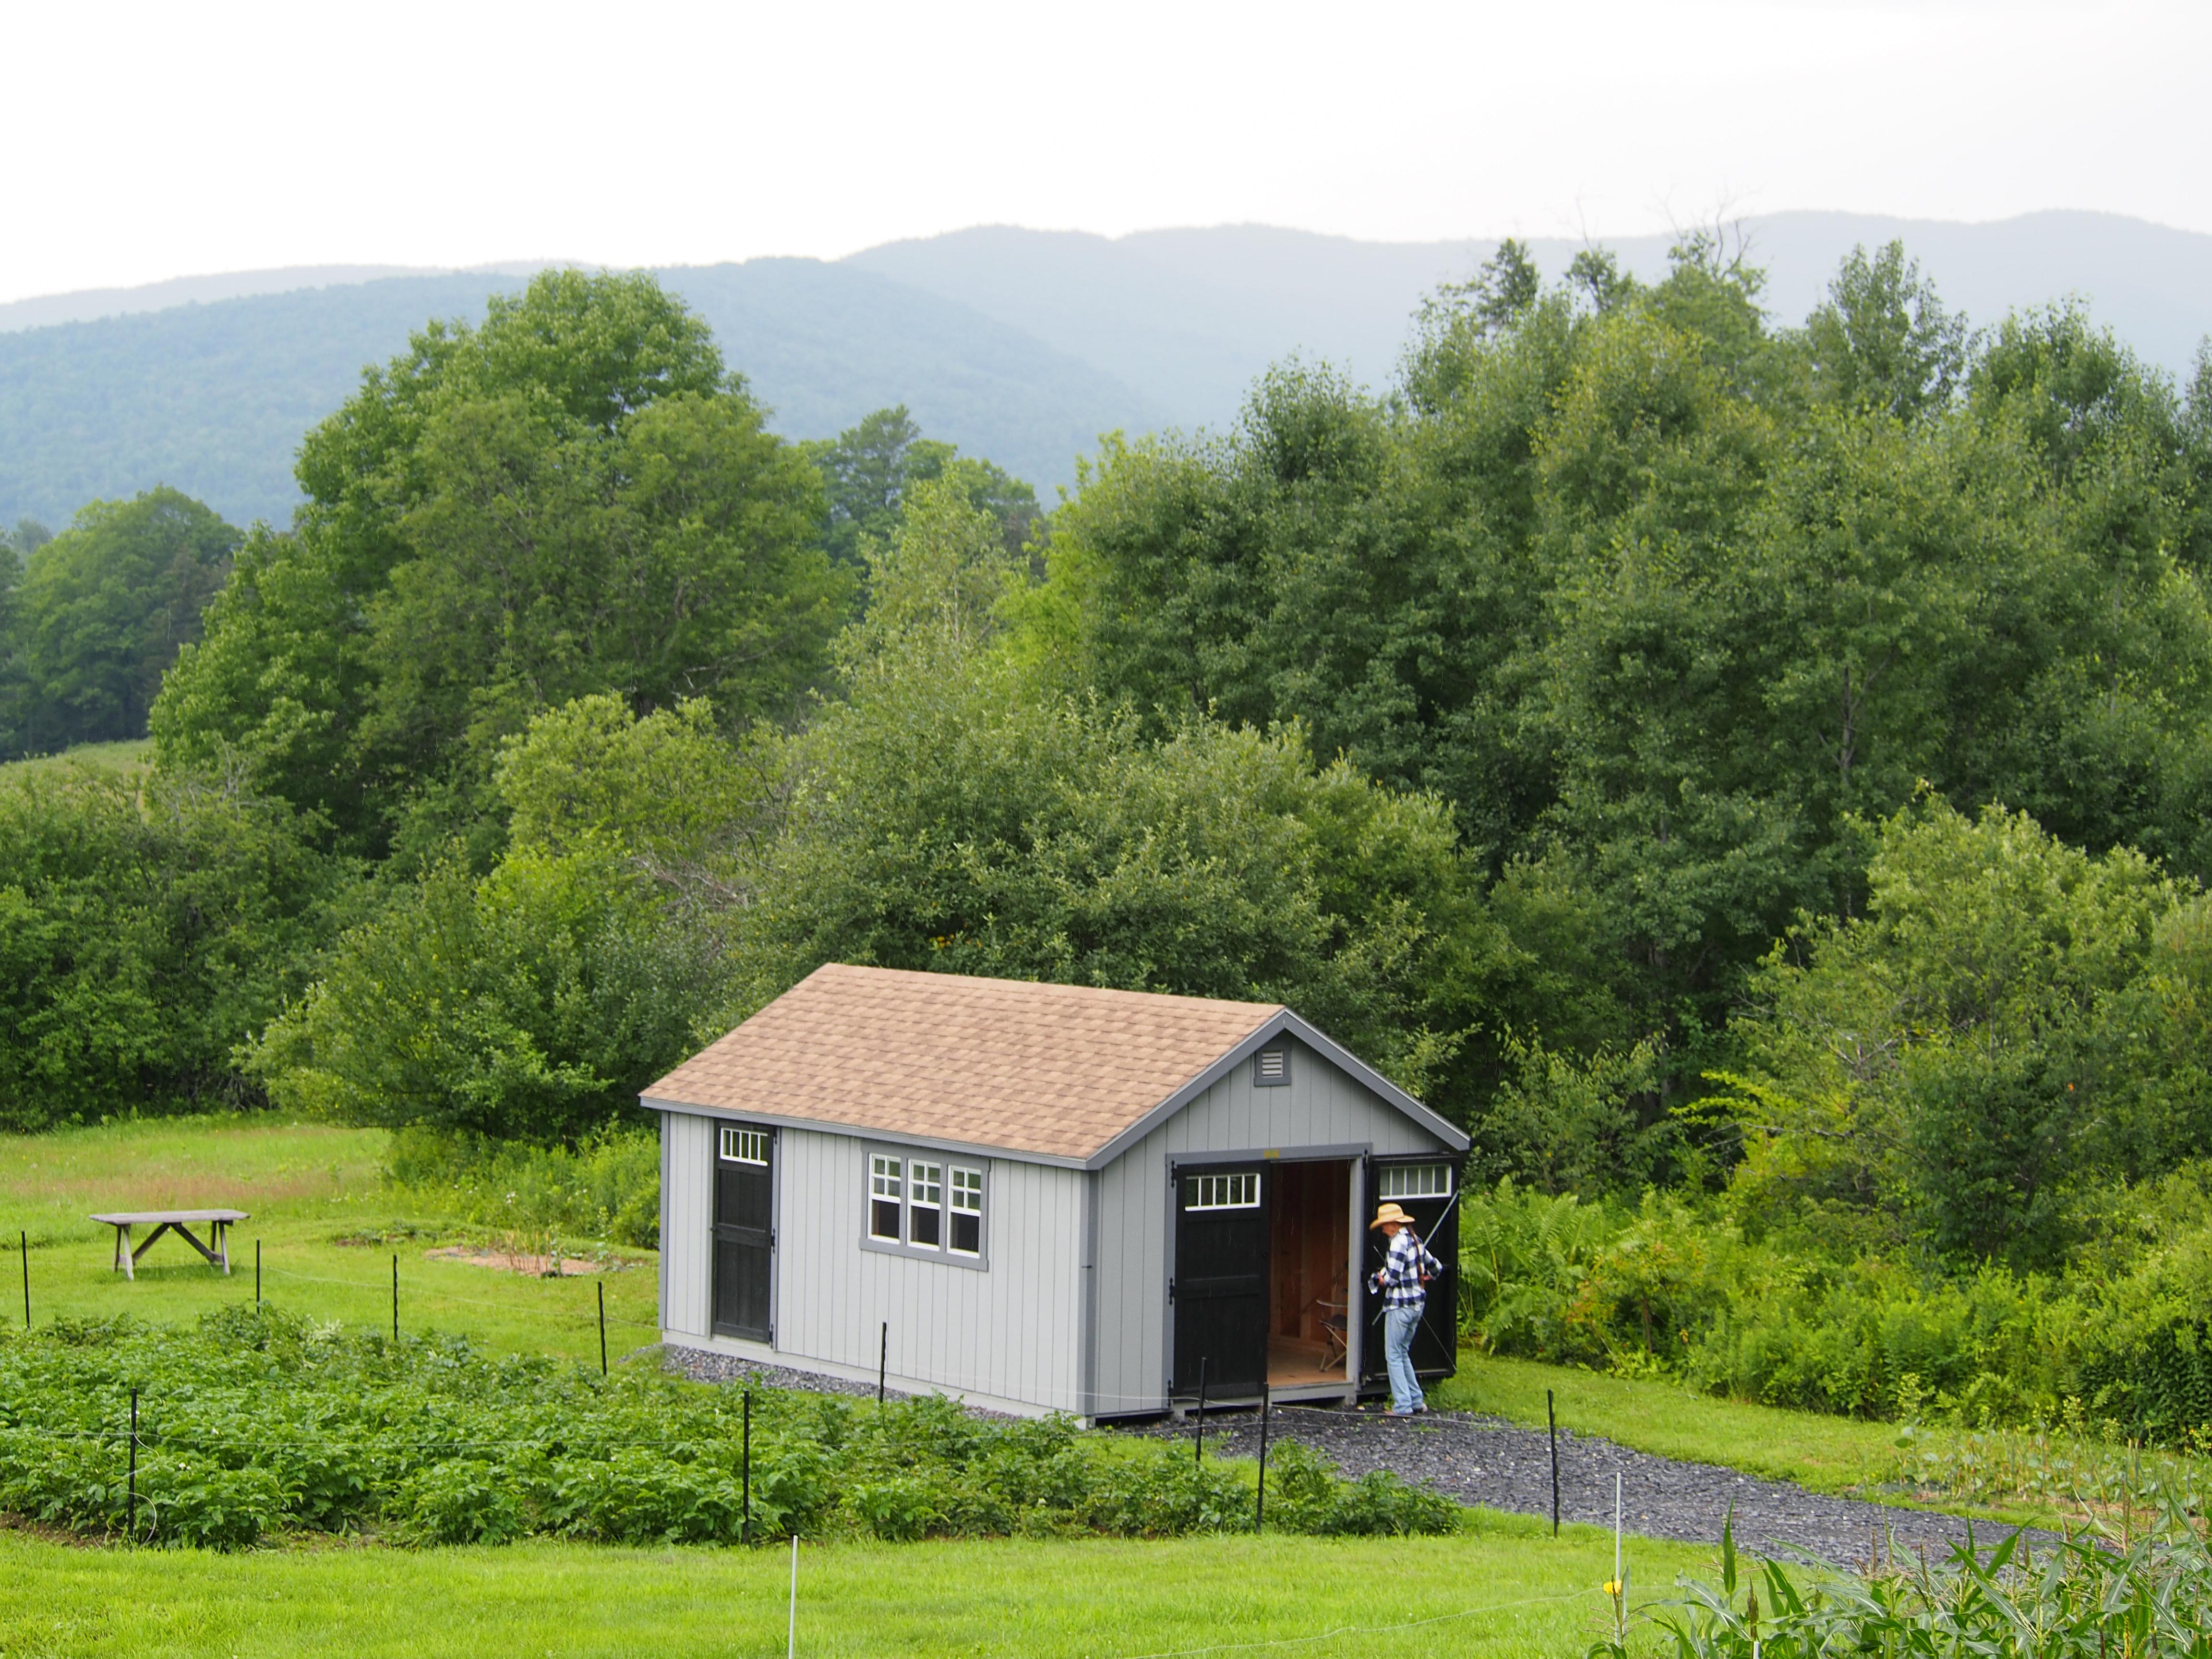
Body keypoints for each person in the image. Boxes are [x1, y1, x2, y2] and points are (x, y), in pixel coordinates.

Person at [1367, 1201, 1442, 1416]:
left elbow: (1392, 1278)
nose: (1383, 1230)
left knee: (1393, 1355)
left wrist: (1378, 1279)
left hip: (1400, 1306)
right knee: (1402, 1352)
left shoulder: (1398, 1243)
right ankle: (1416, 1401)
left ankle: (1402, 1406)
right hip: (1417, 1304)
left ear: (1393, 1224)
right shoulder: (1415, 1240)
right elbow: (1435, 1266)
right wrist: (1427, 1277)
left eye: (1384, 1225)